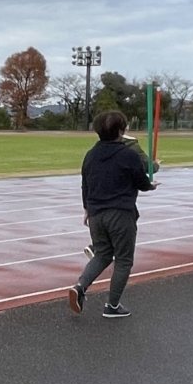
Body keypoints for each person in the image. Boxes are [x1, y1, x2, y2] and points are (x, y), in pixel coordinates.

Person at [69, 109, 157, 319]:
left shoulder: (91, 155)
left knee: (102, 254)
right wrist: (150, 185)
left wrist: (86, 209)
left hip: (96, 214)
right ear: (121, 130)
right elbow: (141, 182)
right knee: (124, 260)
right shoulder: (128, 155)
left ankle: (80, 287)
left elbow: (85, 184)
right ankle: (112, 306)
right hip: (120, 214)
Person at [83, 132, 158, 258]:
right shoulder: (131, 145)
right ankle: (106, 249)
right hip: (120, 195)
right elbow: (145, 167)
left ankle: (99, 248)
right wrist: (155, 166)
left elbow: (85, 182)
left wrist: (86, 207)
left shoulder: (99, 146)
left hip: (100, 190)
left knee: (106, 217)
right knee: (124, 221)